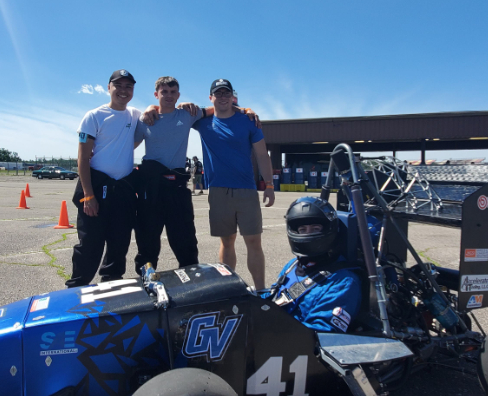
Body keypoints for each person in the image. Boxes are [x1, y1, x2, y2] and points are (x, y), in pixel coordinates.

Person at [193, 78, 275, 289]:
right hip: (219, 191)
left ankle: (260, 291)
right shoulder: (202, 122)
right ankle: (229, 289)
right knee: (226, 242)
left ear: (232, 96)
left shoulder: (248, 121)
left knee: (254, 242)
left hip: (246, 191)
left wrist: (269, 184)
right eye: (218, 93)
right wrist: (151, 107)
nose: (222, 97)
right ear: (211, 97)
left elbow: (262, 155)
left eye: (226, 93)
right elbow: (172, 112)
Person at [67, 69, 142, 288]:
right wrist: (89, 195)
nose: (123, 90)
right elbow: (82, 158)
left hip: (123, 189)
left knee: (119, 244)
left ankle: (111, 287)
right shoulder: (94, 116)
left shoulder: (134, 115)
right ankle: (76, 288)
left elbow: (154, 112)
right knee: (90, 244)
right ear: (108, 87)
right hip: (96, 187)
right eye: (118, 85)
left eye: (128, 86)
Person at [132, 76, 206, 274]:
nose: (169, 96)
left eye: (173, 92)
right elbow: (130, 145)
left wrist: (244, 110)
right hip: (151, 186)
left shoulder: (188, 114)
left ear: (178, 95)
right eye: (164, 92)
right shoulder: (146, 119)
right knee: (147, 237)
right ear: (156, 95)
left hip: (177, 186)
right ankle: (145, 278)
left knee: (185, 237)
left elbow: (216, 109)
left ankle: (191, 277)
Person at [264, 197, 362, 333]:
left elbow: (321, 334)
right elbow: (272, 297)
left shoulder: (343, 281)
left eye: (315, 229)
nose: (308, 234)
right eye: (303, 230)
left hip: (295, 344)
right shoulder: (292, 266)